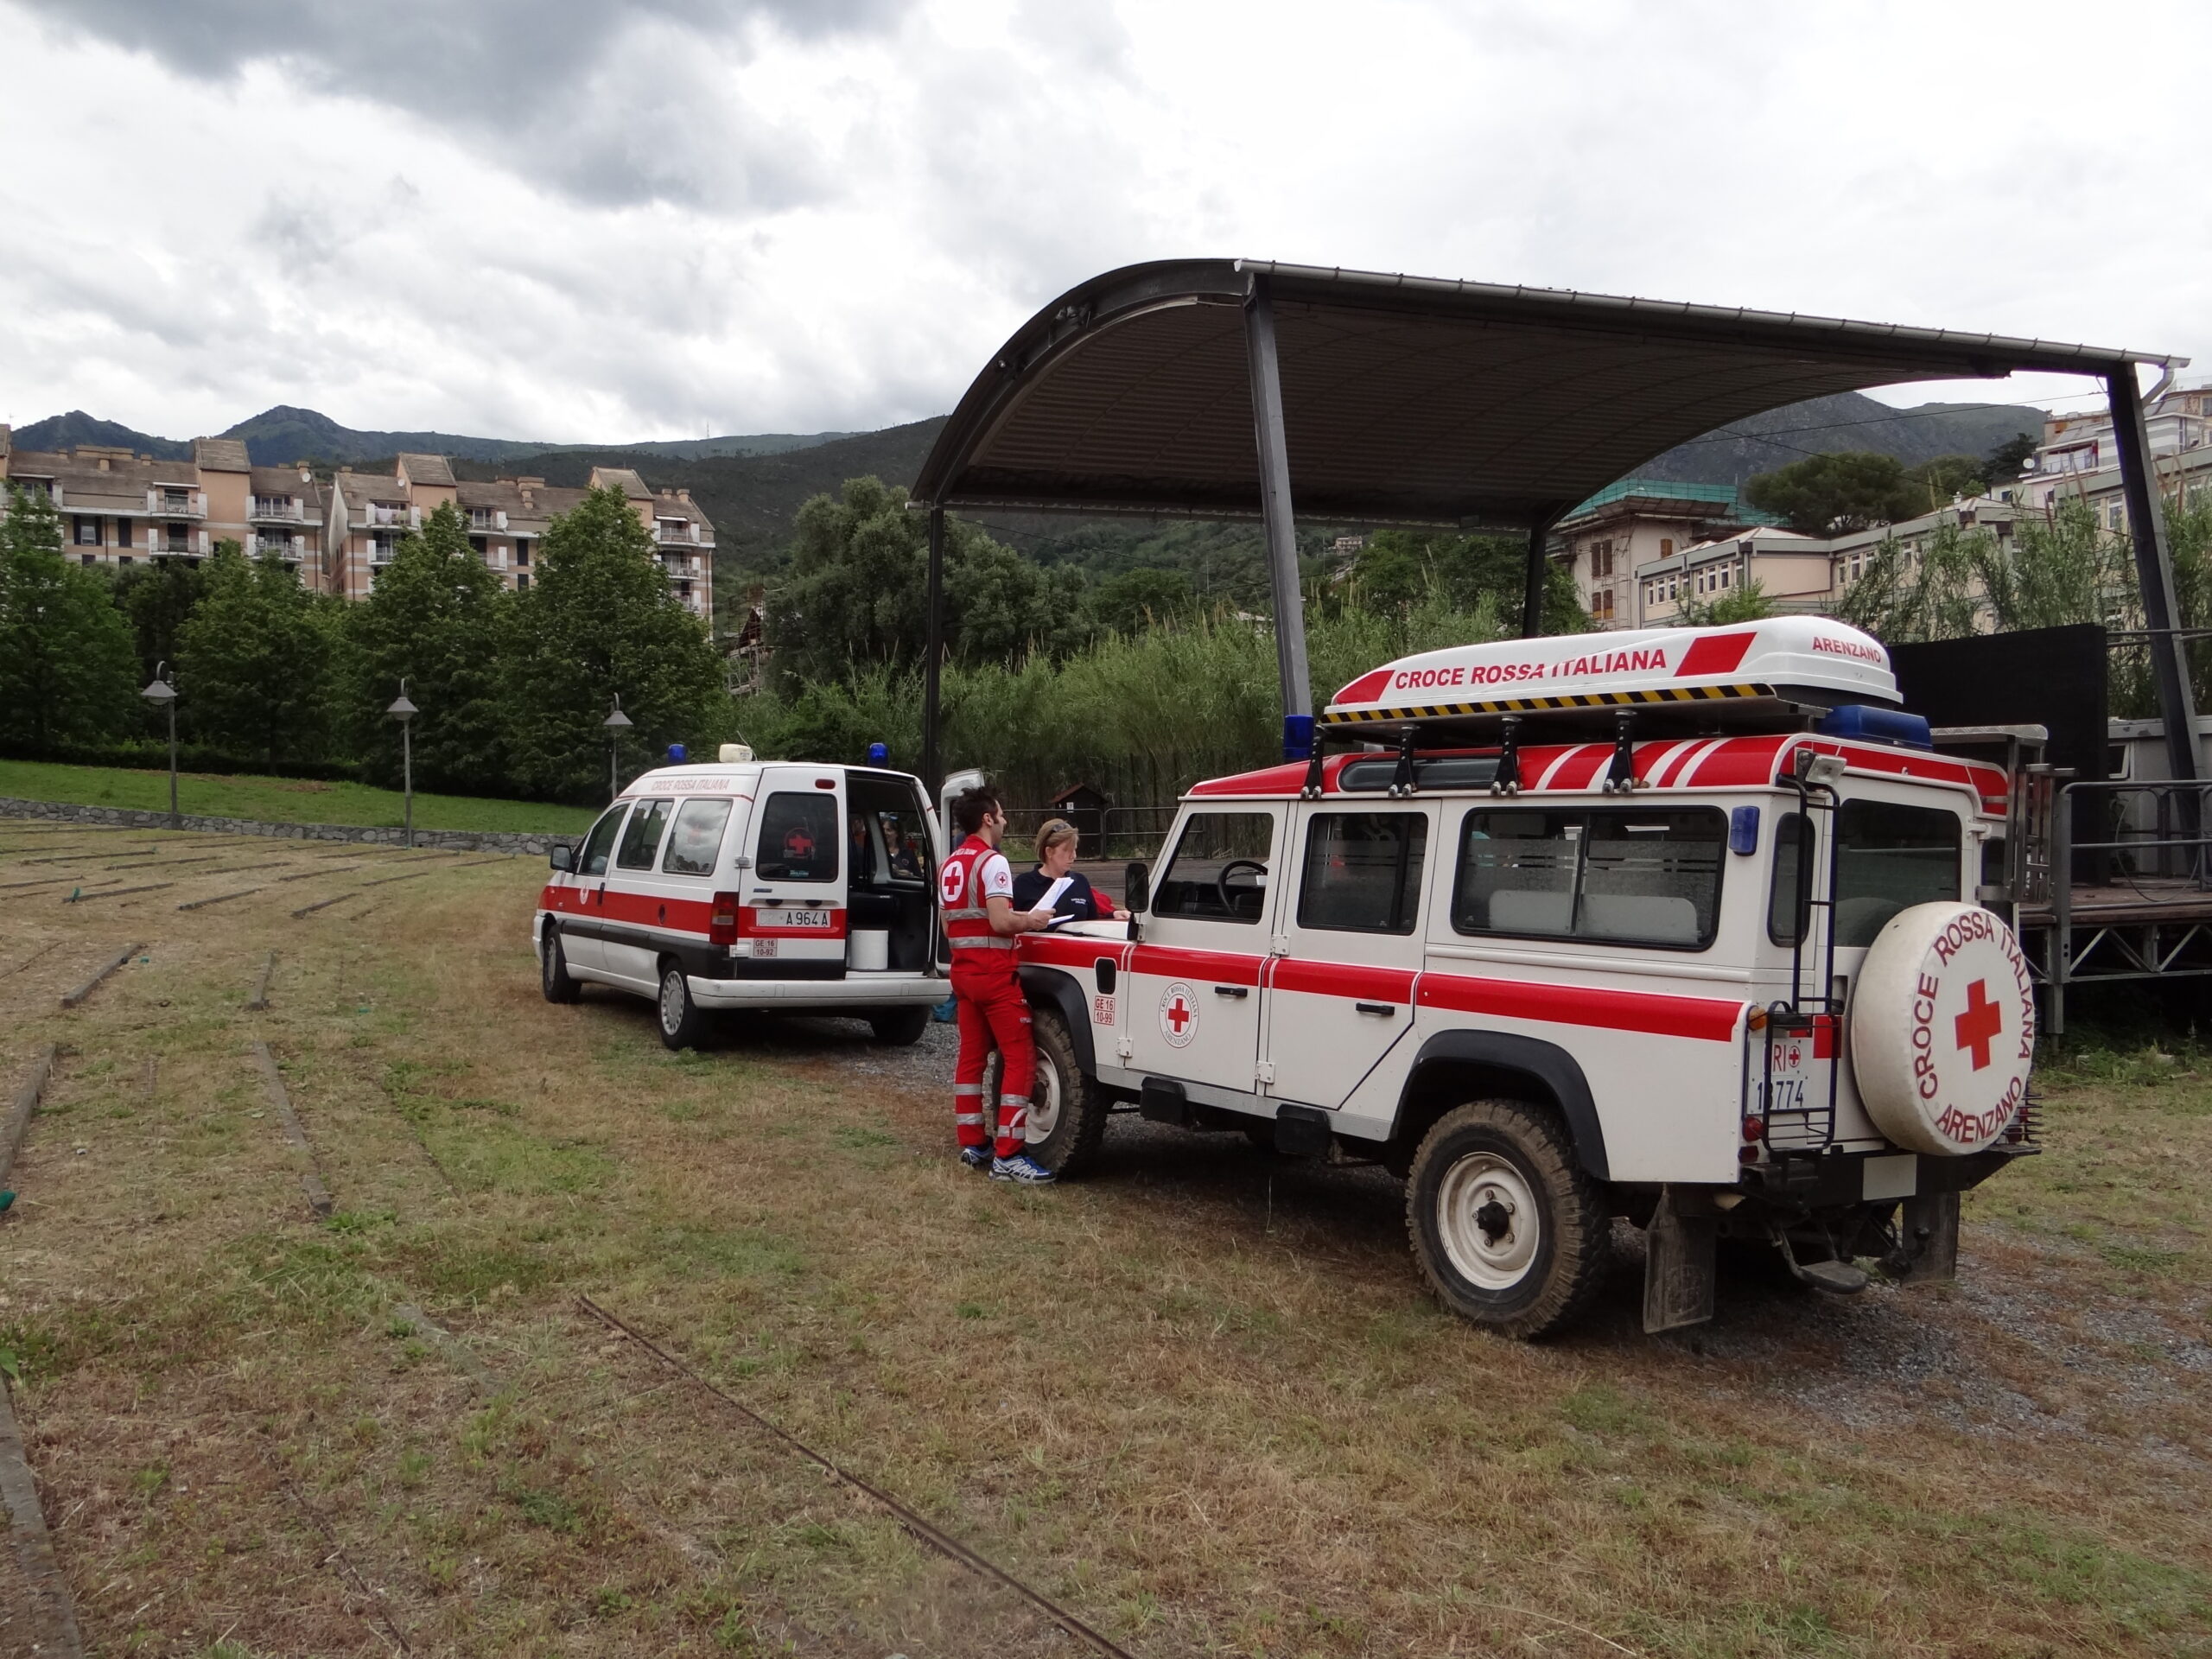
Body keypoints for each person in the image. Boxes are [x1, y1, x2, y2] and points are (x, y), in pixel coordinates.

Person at [941, 785, 1058, 1182]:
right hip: (994, 974)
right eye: (1002, 815)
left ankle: (974, 1143)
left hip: (964, 973)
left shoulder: (951, 864)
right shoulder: (993, 863)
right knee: (1021, 1058)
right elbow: (1001, 922)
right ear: (988, 818)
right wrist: (1032, 920)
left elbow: (948, 923)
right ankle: (1009, 1155)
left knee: (971, 1059)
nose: (1005, 821)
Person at [1012, 819, 1130, 923]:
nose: (1073, 856)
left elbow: (1091, 921)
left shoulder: (1080, 881)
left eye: (1074, 850)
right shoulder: (1024, 884)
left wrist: (1112, 915)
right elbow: (1012, 925)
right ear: (1049, 852)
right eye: (1067, 851)